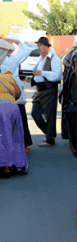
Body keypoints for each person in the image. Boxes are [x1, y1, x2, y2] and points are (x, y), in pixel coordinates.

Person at [0, 39, 27, 179]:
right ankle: (19, 164)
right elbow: (18, 93)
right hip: (13, 106)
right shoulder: (8, 76)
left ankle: (5, 168)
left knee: (3, 137)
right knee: (16, 135)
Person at [0, 37, 33, 151]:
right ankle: (23, 145)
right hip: (13, 96)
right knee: (19, 120)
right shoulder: (11, 59)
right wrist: (11, 40)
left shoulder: (10, 60)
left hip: (7, 98)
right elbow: (26, 48)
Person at [31, 36, 62, 147]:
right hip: (40, 90)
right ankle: (49, 134)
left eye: (39, 46)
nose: (38, 48)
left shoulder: (54, 58)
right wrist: (32, 78)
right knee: (35, 113)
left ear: (44, 46)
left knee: (50, 116)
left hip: (49, 89)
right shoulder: (41, 58)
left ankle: (50, 139)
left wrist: (41, 73)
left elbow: (57, 76)